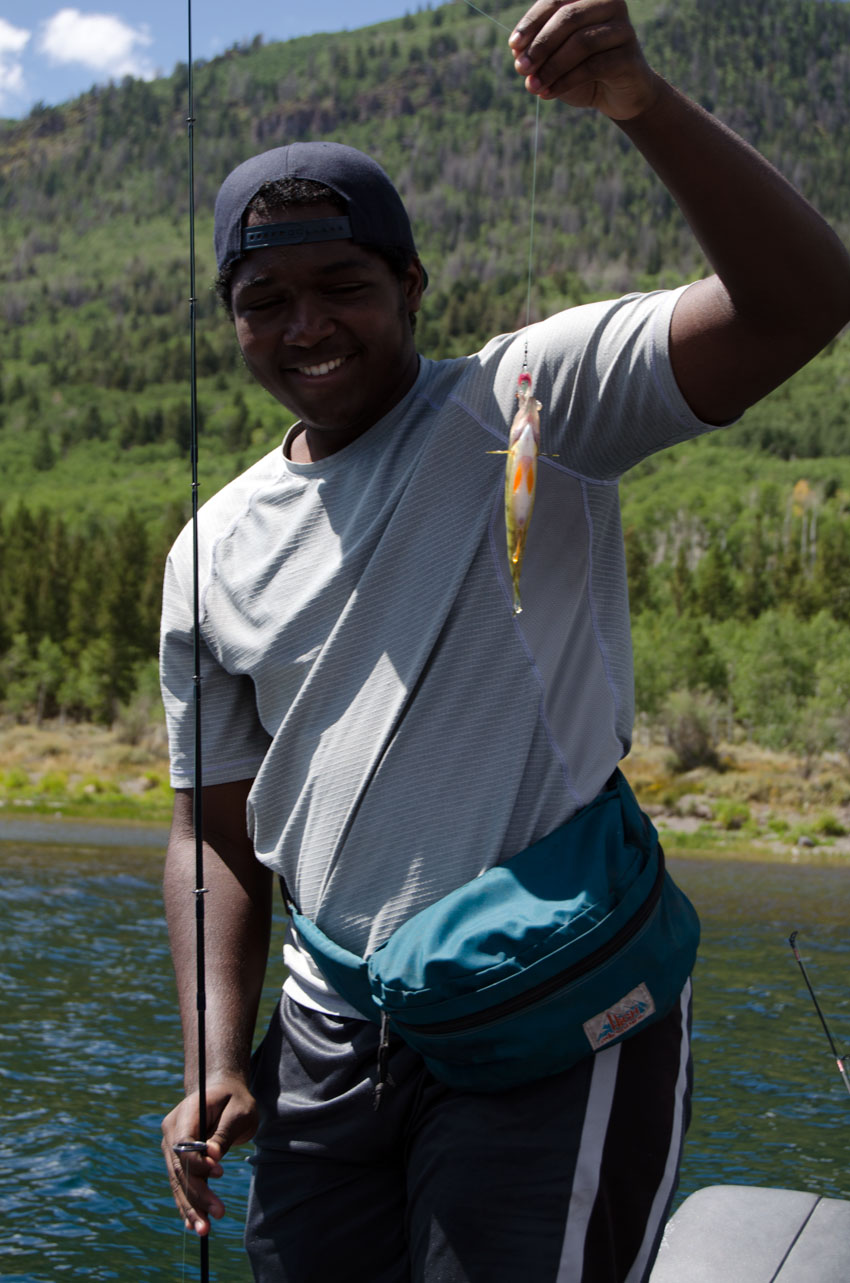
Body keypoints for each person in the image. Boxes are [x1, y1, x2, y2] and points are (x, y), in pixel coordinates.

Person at [159, 3, 850, 1280]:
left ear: (412, 285)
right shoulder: (207, 549)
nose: (307, 324)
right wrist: (215, 1059)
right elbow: (213, 827)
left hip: (553, 1013)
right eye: (266, 300)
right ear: (231, 318)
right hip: (328, 1031)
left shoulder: (537, 390)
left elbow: (803, 299)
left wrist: (641, 104)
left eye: (345, 286)